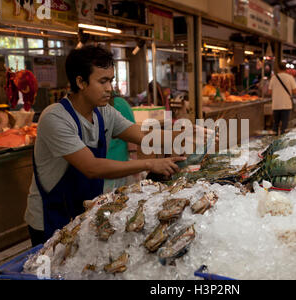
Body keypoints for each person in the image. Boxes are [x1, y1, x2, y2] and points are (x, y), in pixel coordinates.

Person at [24, 45, 186, 246]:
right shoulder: (55, 117)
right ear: (80, 82)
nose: (110, 88)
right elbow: (91, 167)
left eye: (111, 80)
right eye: (103, 81)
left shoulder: (104, 113)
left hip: (84, 213)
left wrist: (185, 134)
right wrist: (149, 164)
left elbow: (143, 135)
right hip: (50, 216)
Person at [104, 95, 136, 193]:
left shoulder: (118, 103)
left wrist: (135, 165)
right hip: (98, 168)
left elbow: (132, 136)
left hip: (117, 167)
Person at [268, 63, 296, 135]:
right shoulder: (290, 77)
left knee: (275, 124)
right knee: (284, 126)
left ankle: (274, 141)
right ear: (286, 69)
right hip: (286, 105)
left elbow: (269, 91)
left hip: (276, 105)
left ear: (278, 68)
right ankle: (282, 142)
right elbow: (295, 91)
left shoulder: (273, 78)